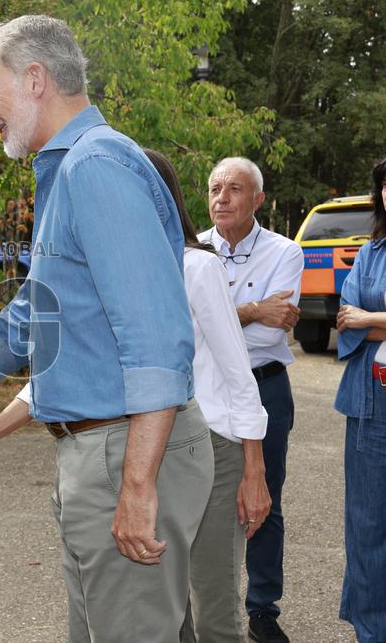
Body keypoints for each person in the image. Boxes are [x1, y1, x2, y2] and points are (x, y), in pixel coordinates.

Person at [0, 15, 214, 642]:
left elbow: (158, 340)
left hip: (124, 449)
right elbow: (30, 320)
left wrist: (137, 485)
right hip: (101, 448)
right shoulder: (67, 171)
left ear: (33, 80)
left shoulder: (95, 169)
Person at [143, 149, 271, 643]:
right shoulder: (120, 270)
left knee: (215, 609)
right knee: (168, 610)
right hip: (149, 450)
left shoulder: (197, 266)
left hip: (215, 447)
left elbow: (240, 375)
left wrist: (254, 472)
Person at [199, 157, 303, 643]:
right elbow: (191, 327)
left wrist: (225, 316)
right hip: (204, 389)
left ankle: (262, 609)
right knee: (197, 495)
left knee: (264, 499)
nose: (221, 197)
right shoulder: (192, 249)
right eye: (215, 188)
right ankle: (198, 607)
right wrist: (255, 309)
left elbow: (266, 336)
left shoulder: (287, 252)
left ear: (257, 199)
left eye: (234, 188)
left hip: (265, 385)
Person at [333, 155, 386, 643]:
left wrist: (372, 319)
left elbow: (359, 318)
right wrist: (369, 321)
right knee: (367, 523)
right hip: (372, 401)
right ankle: (372, 630)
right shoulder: (370, 252)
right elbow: (344, 315)